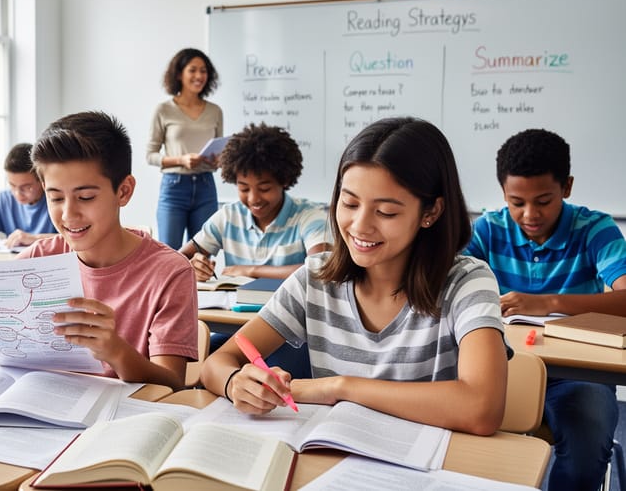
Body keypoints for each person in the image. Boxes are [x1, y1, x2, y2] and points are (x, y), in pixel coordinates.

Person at [200, 117, 509, 437]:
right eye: (349, 203)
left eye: (386, 212)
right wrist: (233, 382)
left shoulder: (467, 282)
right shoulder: (315, 278)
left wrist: (339, 387)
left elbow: (482, 408)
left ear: (430, 212)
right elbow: (219, 361)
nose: (360, 226)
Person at [0, 111, 198, 391]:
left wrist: (115, 351)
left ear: (123, 191)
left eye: (85, 197)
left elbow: (171, 382)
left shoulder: (169, 272)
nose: (69, 214)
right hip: (29, 418)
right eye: (56, 198)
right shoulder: (38, 258)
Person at [464, 128, 626, 490]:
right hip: (500, 363)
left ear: (566, 187)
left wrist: (548, 302)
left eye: (543, 200)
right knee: (461, 437)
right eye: (516, 201)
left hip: (579, 372)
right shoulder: (489, 229)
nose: (529, 213)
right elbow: (444, 285)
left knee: (588, 439)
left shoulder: (593, 228)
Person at [180, 123, 330, 377]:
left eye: (264, 188)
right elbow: (174, 260)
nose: (253, 199)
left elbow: (322, 268)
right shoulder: (228, 216)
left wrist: (251, 270)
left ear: (284, 180)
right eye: (243, 188)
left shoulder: (309, 216)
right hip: (235, 333)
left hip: (289, 338)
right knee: (198, 361)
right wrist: (190, 266)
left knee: (265, 373)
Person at [146, 47, 223, 249]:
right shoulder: (163, 110)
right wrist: (181, 160)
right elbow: (150, 155)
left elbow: (221, 151)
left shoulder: (215, 111)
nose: (199, 76)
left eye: (204, 71)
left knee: (204, 252)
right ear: (179, 74)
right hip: (174, 187)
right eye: (193, 70)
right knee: (169, 252)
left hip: (206, 186)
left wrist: (218, 160)